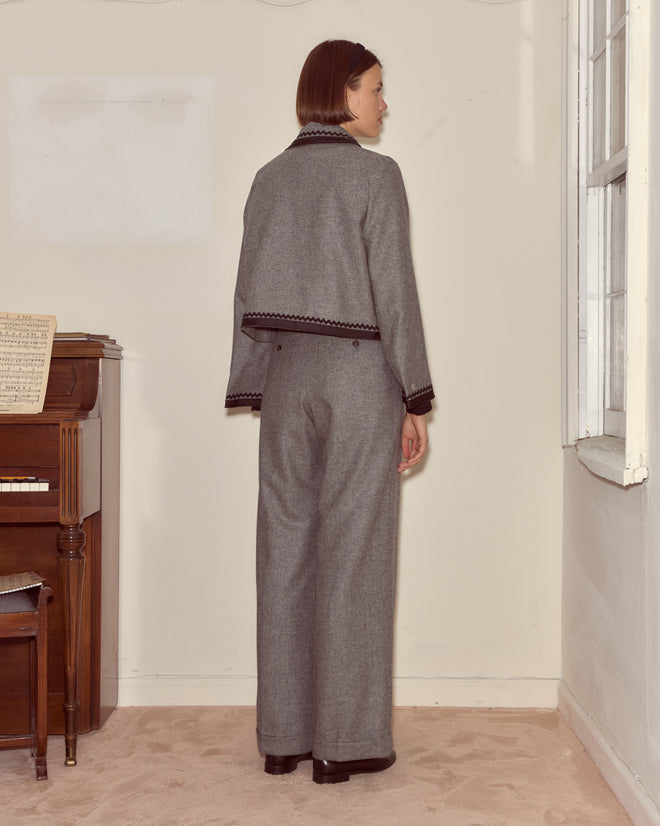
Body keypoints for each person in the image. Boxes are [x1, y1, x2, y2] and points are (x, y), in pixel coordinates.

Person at [225, 39, 434, 784]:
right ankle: (344, 744)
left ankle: (282, 737)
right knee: (354, 554)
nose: (383, 102)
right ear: (343, 93)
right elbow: (395, 293)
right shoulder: (376, 175)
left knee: (283, 549)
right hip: (358, 379)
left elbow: (247, 296)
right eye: (375, 87)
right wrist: (414, 395)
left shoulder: (267, 178)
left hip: (287, 378)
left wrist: (251, 381)